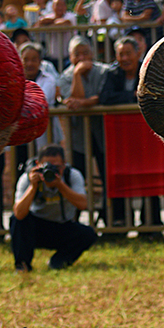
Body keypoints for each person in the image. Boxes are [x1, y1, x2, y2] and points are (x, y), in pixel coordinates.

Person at [99, 36, 162, 229]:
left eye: (128, 53)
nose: (124, 58)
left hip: (146, 133)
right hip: (121, 136)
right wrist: (132, 96)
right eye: (120, 54)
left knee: (150, 174)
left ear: (138, 54)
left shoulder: (148, 70)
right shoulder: (112, 73)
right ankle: (120, 222)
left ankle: (151, 223)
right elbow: (106, 97)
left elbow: (153, 94)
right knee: (118, 175)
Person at [10, 144, 97, 272]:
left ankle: (58, 262)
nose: (52, 171)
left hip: (62, 226)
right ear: (38, 164)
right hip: (36, 228)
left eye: (57, 167)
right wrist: (33, 187)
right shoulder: (27, 178)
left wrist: (60, 184)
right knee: (18, 222)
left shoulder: (72, 175)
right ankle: (22, 266)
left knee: (88, 234)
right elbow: (18, 214)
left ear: (64, 164)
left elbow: (83, 204)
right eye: (46, 166)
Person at [57, 36, 109, 218]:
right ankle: (74, 219)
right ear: (70, 57)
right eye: (76, 54)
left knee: (107, 177)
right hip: (78, 136)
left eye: (85, 53)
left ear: (93, 53)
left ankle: (110, 219)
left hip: (104, 134)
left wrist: (84, 102)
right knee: (78, 176)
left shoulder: (104, 71)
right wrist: (77, 73)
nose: (81, 57)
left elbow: (104, 97)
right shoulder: (65, 76)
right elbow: (72, 99)